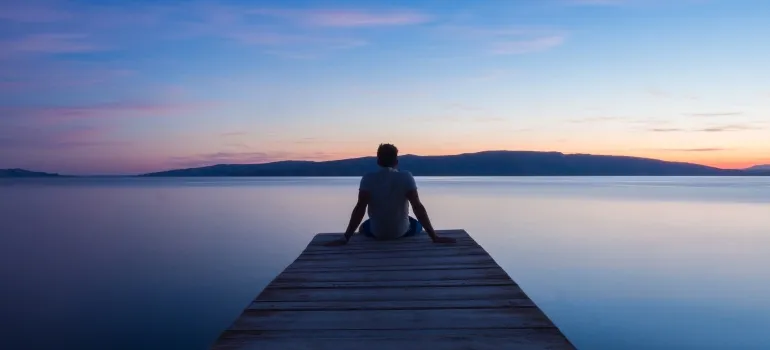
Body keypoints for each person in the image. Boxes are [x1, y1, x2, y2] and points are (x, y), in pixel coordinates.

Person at [325, 143, 456, 246]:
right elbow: (418, 207)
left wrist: (346, 237)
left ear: (378, 161)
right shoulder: (406, 177)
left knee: (363, 227)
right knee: (416, 224)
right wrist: (434, 237)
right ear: (396, 160)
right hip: (401, 233)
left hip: (377, 233)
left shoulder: (368, 178)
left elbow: (360, 208)